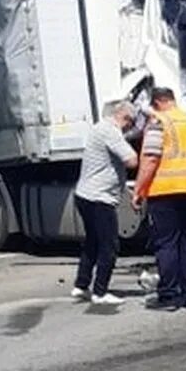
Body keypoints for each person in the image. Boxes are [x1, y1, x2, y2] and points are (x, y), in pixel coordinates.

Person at [133, 87, 186, 311]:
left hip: (165, 190)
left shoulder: (159, 121)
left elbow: (150, 159)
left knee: (167, 243)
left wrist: (139, 191)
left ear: (158, 102)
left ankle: (169, 296)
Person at [72, 100, 138, 305]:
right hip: (99, 198)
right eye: (131, 123)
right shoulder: (110, 131)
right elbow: (131, 160)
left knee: (92, 241)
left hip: (85, 194)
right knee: (109, 245)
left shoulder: (99, 128)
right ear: (125, 117)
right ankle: (100, 292)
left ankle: (81, 285)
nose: (131, 127)